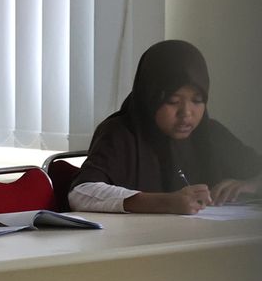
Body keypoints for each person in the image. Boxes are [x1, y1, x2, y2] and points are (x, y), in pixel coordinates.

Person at [69, 40, 262, 214]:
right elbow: (81, 192)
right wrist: (164, 202)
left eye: (197, 100)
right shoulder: (121, 133)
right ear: (150, 97)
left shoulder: (210, 133)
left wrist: (252, 185)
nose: (186, 112)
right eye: (172, 101)